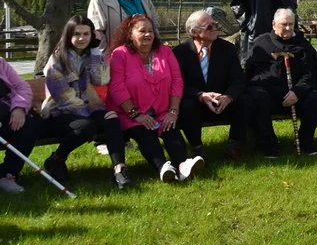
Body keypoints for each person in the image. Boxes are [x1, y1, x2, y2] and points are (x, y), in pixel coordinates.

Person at [107, 15, 204, 183]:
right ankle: (163, 167)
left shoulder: (165, 52)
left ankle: (183, 166)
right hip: (129, 113)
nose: (147, 34)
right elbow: (117, 87)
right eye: (142, 31)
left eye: (150, 31)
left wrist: (173, 111)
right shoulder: (120, 54)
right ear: (130, 34)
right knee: (144, 131)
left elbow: (177, 81)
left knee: (170, 127)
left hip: (161, 110)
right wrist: (135, 114)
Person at [39, 15, 123, 186]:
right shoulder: (56, 61)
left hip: (87, 109)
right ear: (68, 36)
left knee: (111, 119)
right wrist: (93, 116)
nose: (81, 38)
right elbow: (65, 100)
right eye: (77, 34)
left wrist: (94, 52)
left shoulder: (91, 54)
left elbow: (101, 80)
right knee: (88, 126)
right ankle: (56, 159)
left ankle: (120, 169)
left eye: (86, 34)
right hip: (59, 113)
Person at [172, 9, 247, 162]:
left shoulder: (227, 49)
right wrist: (200, 95)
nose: (216, 29)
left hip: (222, 102)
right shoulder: (180, 53)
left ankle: (233, 146)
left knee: (246, 99)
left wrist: (228, 97)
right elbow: (178, 84)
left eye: (216, 24)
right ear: (194, 31)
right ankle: (198, 149)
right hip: (197, 103)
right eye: (210, 27)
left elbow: (238, 79)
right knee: (186, 105)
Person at [245, 8, 317, 156]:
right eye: (284, 24)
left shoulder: (303, 45)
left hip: (295, 95)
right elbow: (250, 72)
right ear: (274, 24)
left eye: (291, 24)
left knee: (315, 99)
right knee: (257, 97)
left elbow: (310, 73)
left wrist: (297, 92)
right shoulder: (261, 43)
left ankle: (304, 141)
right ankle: (269, 144)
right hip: (268, 94)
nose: (288, 28)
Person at [0, 56, 38, 194]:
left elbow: (22, 87)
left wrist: (19, 108)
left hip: (4, 113)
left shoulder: (1, 63)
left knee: (27, 126)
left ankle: (7, 174)